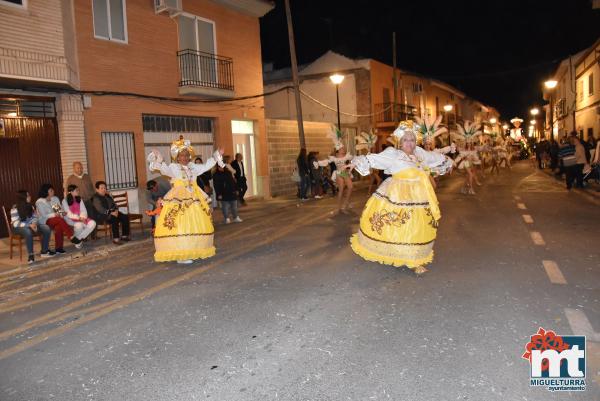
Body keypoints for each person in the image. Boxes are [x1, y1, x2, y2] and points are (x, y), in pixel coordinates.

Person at [350, 121, 453, 275]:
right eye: (406, 140)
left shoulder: (419, 153)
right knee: (402, 226)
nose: (409, 143)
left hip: (420, 196)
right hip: (398, 194)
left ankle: (414, 257)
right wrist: (358, 161)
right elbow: (376, 159)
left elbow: (433, 158)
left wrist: (447, 160)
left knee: (418, 227)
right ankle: (407, 257)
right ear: (400, 142)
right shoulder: (394, 154)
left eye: (412, 140)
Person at [147, 136, 224, 264]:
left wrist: (216, 156)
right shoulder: (173, 168)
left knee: (194, 225)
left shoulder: (193, 167)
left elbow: (206, 166)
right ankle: (181, 255)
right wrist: (158, 158)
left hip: (194, 197)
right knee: (180, 225)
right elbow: (163, 169)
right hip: (178, 199)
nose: (185, 157)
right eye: (182, 155)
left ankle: (192, 249)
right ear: (177, 157)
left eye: (187, 155)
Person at [35, 183, 81, 254]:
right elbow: (44, 215)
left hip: (56, 220)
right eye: (51, 190)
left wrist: (62, 213)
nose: (53, 191)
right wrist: (55, 214)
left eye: (52, 190)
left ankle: (58, 248)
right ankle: (71, 237)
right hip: (44, 221)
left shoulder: (54, 199)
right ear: (45, 192)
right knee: (59, 220)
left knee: (59, 226)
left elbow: (58, 210)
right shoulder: (40, 202)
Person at [11, 190, 53, 263]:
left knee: (46, 228)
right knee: (27, 231)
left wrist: (34, 223)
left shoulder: (30, 206)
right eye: (28, 195)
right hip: (18, 228)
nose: (30, 197)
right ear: (23, 197)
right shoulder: (14, 208)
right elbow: (15, 223)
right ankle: (31, 255)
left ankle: (44, 251)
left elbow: (35, 217)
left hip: (31, 226)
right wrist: (29, 225)